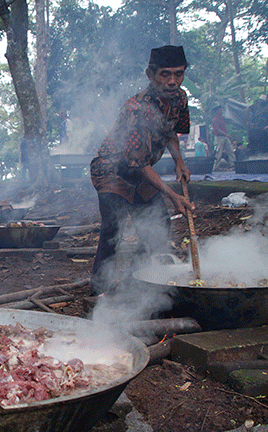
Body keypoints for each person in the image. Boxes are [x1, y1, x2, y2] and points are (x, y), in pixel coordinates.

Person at [89, 45, 195, 296]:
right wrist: (174, 195)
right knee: (113, 230)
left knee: (159, 224)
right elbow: (140, 164)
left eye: (178, 74)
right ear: (150, 74)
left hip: (140, 172)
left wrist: (180, 162)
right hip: (112, 171)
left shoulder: (180, 98)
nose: (172, 81)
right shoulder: (136, 109)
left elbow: (171, 133)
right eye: (165, 75)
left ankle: (136, 282)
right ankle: (98, 293)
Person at [212, 105, 235, 170]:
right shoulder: (215, 120)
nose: (221, 110)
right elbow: (217, 130)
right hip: (219, 137)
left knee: (230, 151)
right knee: (219, 152)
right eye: (220, 109)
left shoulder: (222, 118)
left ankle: (233, 165)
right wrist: (226, 134)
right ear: (216, 111)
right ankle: (216, 167)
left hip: (225, 136)